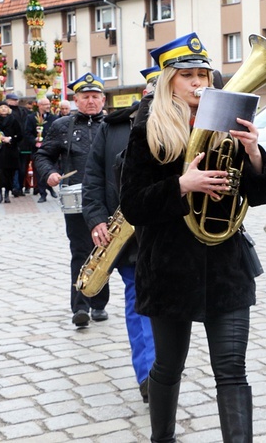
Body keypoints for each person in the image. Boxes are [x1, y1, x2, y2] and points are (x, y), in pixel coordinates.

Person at [120, 32, 266, 442]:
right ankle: (163, 438)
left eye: (203, 74)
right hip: (170, 268)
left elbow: (262, 193)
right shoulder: (146, 132)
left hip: (225, 266)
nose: (198, 83)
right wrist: (182, 184)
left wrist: (256, 155)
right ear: (168, 80)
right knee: (169, 366)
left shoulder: (229, 125)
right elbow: (134, 205)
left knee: (232, 369)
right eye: (187, 75)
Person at [82, 67, 160, 404]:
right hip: (127, 235)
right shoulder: (112, 127)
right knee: (137, 302)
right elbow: (93, 178)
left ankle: (164, 366)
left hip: (169, 232)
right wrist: (97, 219)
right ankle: (150, 375)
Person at [34, 73, 109, 328]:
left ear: (103, 99)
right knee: (80, 251)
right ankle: (81, 306)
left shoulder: (113, 125)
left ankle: (99, 303)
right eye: (85, 97)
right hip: (75, 200)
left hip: (108, 199)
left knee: (105, 251)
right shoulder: (62, 126)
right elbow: (43, 155)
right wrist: (50, 173)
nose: (90, 101)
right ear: (75, 99)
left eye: (95, 97)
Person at [24, 97, 57, 203]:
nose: (48, 106)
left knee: (51, 170)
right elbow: (27, 133)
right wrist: (35, 141)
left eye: (49, 104)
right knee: (38, 171)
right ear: (39, 106)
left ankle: (50, 187)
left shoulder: (53, 118)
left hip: (51, 149)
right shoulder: (31, 118)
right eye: (45, 104)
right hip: (37, 150)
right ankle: (42, 193)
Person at [0, 104, 23, 204]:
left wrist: (10, 139)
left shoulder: (14, 121)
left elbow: (20, 136)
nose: (4, 109)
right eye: (1, 108)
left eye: (5, 107)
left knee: (9, 173)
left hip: (11, 151)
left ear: (9, 110)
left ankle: (7, 193)